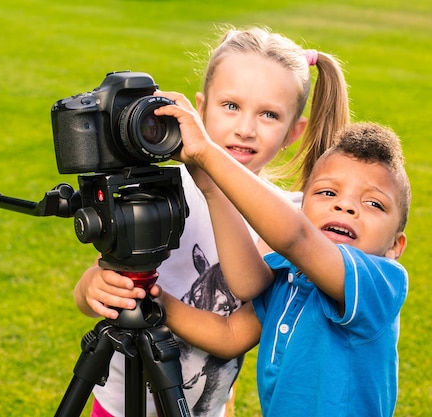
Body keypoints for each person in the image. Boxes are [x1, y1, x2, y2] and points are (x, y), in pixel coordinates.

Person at [73, 26, 350, 417]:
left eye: (269, 114)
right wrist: (92, 289)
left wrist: (156, 302)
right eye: (231, 106)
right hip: (119, 405)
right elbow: (99, 283)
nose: (245, 128)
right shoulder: (162, 189)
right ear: (199, 109)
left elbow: (241, 311)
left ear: (294, 132)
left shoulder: (290, 220)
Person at [150, 117, 411, 416]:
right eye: (328, 193)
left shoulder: (378, 282)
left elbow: (296, 237)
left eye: (374, 204)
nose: (345, 206)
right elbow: (230, 335)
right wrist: (157, 301)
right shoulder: (288, 273)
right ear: (303, 207)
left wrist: (208, 153)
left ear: (395, 246)